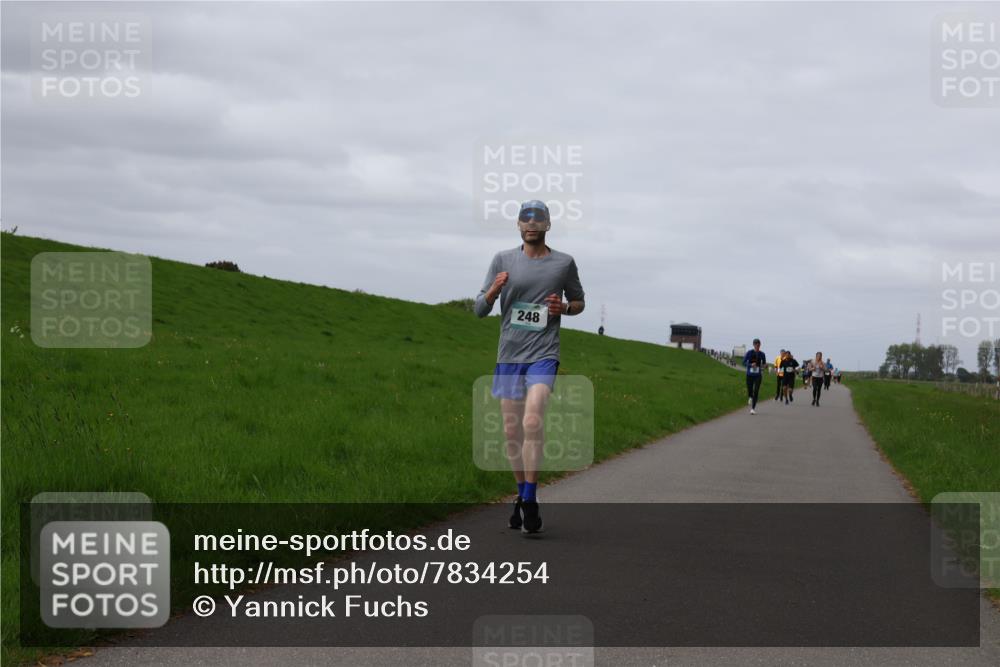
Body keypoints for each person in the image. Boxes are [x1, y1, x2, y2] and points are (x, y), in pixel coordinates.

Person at [475, 200, 585, 535]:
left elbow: (580, 302)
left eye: (539, 220)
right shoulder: (502, 260)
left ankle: (532, 498)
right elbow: (479, 309)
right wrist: (494, 290)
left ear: (548, 225)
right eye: (526, 219)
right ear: (519, 225)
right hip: (509, 355)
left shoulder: (563, 263)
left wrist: (563, 308)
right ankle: (521, 495)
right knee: (512, 432)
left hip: (543, 354)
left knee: (533, 417)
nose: (532, 224)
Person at [743, 338, 767, 415]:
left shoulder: (762, 354)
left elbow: (764, 364)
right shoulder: (749, 353)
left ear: (760, 345)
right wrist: (750, 365)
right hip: (749, 375)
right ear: (753, 345)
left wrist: (765, 366)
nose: (757, 346)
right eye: (756, 344)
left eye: (758, 344)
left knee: (756, 391)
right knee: (750, 390)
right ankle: (750, 396)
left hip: (758, 375)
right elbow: (743, 362)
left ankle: (753, 408)